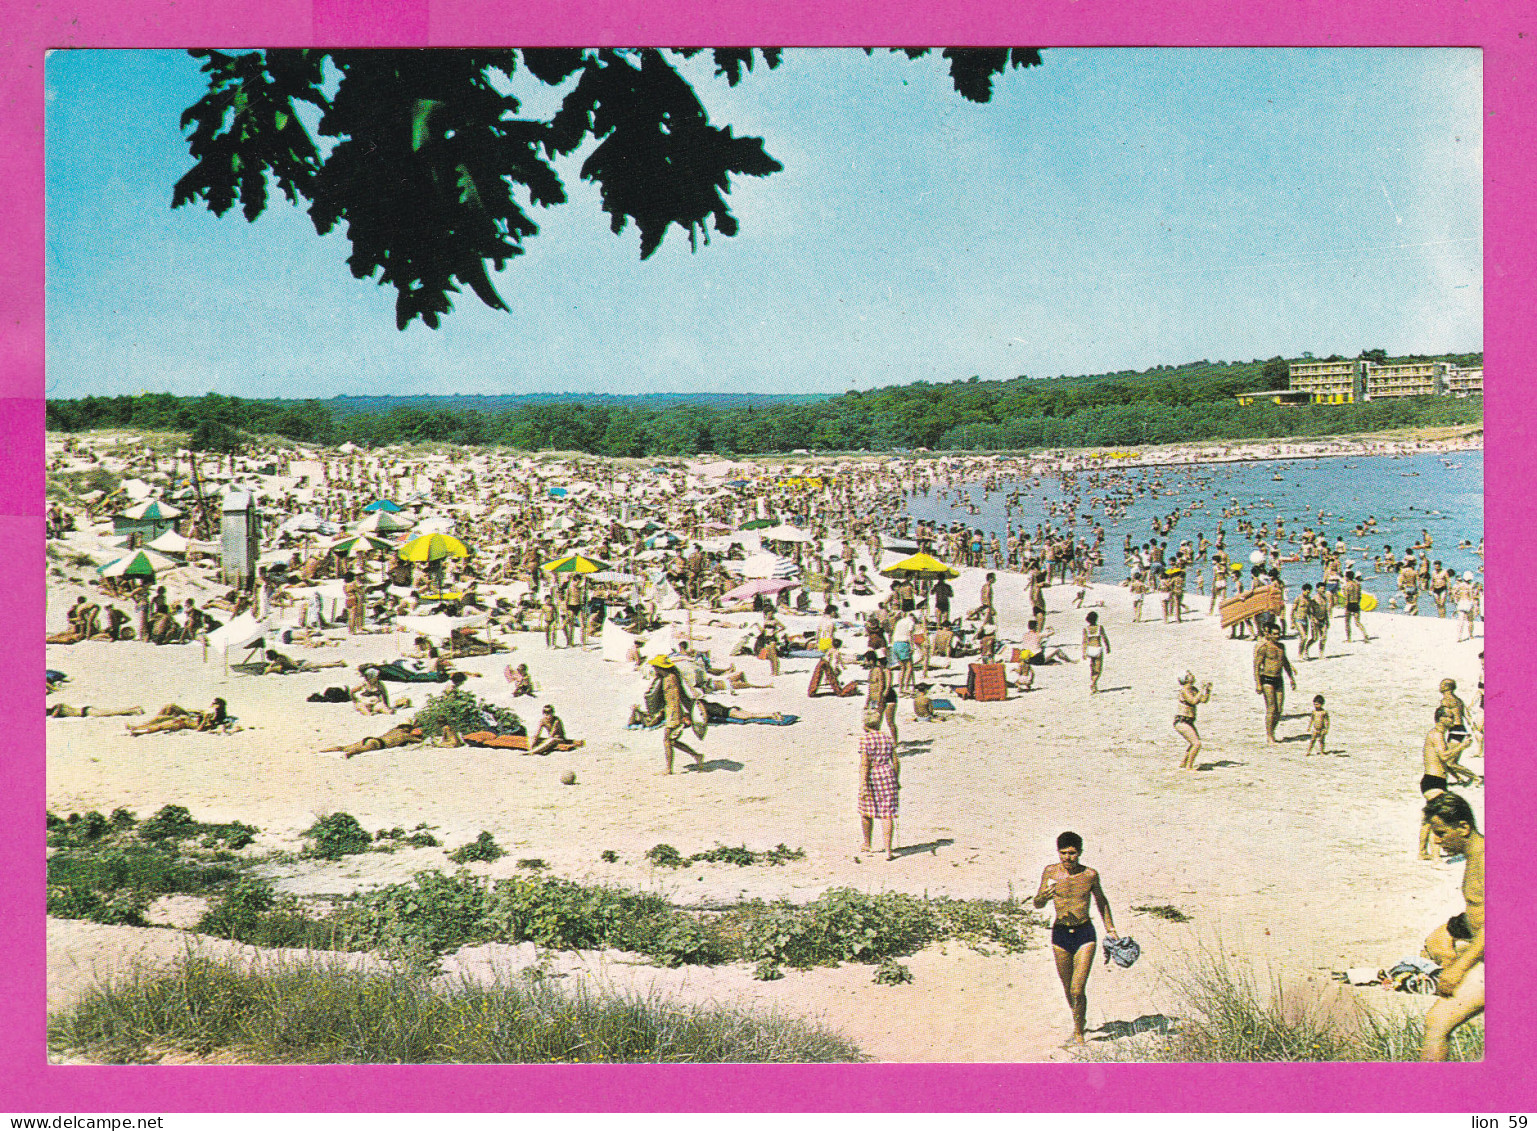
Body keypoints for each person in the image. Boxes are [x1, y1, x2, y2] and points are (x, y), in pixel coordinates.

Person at [1031, 831, 1120, 1046]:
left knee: (1077, 989)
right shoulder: (1050, 872)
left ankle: (1079, 1035)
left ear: (1079, 853)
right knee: (1067, 987)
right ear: (1058, 852)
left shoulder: (1089, 875)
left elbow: (1101, 900)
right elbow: (1038, 903)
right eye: (1063, 853)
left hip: (1084, 933)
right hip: (1060, 934)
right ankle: (1078, 1021)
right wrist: (1041, 898)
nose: (1067, 858)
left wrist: (1110, 928)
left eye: (1072, 853)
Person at [1419, 792, 1484, 1061]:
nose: (1436, 840)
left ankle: (1432, 1099)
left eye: (1442, 832)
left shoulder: (1487, 860)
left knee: (1437, 1024)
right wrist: (1450, 931)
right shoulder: (1476, 855)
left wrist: (1458, 968)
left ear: (1464, 827)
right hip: (1487, 951)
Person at [1419, 705, 1478, 859]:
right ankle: (1436, 859)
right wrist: (1462, 746)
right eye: (1450, 717)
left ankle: (1422, 852)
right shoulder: (1437, 735)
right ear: (1441, 718)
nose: (1453, 719)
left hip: (1434, 781)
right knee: (1438, 818)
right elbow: (1445, 757)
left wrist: (1457, 777)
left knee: (1427, 820)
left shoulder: (1437, 734)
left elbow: (1442, 762)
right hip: (1433, 781)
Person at [857, 709, 900, 861]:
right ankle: (888, 850)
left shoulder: (866, 740)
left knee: (866, 810)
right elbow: (895, 761)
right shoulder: (887, 738)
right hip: (887, 774)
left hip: (872, 775)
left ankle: (867, 844)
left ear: (865, 724)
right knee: (888, 813)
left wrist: (863, 784)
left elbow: (865, 763)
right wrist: (896, 779)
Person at [650, 656, 704, 774]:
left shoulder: (671, 679)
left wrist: (680, 716)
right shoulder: (666, 678)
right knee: (671, 741)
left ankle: (669, 769)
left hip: (674, 713)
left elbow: (676, 698)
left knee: (667, 740)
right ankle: (696, 755)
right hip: (671, 712)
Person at [1252, 623, 1296, 743]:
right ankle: (1269, 735)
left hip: (1278, 679)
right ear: (1269, 635)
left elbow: (1285, 662)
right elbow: (1256, 666)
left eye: (1279, 634)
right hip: (1267, 679)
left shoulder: (1281, 647)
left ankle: (1272, 730)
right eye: (1275, 634)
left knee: (1279, 709)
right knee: (1271, 708)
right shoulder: (1264, 648)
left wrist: (1291, 678)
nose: (1278, 636)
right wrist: (1258, 683)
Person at [1173, 671, 1213, 770]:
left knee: (1193, 743)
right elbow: (1193, 701)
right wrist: (1202, 689)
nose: (1192, 675)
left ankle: (1183, 764)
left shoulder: (1193, 689)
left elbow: (1203, 700)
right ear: (1186, 679)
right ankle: (1189, 767)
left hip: (1189, 721)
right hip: (1182, 721)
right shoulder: (1185, 690)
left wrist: (1207, 691)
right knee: (1196, 743)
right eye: (1189, 674)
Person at [320, 722, 427, 758]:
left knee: (343, 747)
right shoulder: (405, 736)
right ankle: (349, 754)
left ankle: (323, 751)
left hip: (372, 738)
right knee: (360, 750)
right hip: (379, 743)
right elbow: (420, 741)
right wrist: (420, 737)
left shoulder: (394, 730)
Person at [127, 698, 228, 736]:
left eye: (215, 704)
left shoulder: (215, 719)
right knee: (159, 719)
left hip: (183, 723)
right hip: (185, 718)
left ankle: (140, 731)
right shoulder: (210, 712)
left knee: (162, 725)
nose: (212, 705)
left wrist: (205, 719)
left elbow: (199, 729)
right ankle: (137, 727)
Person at [862, 649, 898, 745]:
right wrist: (867, 702)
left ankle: (895, 742)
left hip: (885, 698)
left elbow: (882, 685)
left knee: (889, 721)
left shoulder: (879, 671)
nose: (864, 662)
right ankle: (877, 741)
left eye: (866, 660)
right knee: (874, 723)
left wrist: (880, 699)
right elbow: (871, 688)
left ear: (871, 661)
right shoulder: (872, 671)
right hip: (876, 699)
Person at [1081, 611, 1110, 694]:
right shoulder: (1099, 627)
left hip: (1090, 649)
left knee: (1092, 667)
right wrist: (1108, 647)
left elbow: (1084, 641)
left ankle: (1094, 687)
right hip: (1098, 648)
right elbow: (1104, 638)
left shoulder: (1086, 629)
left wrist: (1084, 652)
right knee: (1098, 669)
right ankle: (1093, 683)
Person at [1341, 570, 1370, 643]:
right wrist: (1358, 602)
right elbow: (1359, 595)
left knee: (1347, 622)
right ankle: (1365, 635)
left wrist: (1345, 606)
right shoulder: (1357, 584)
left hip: (1349, 603)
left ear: (1347, 577)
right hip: (1356, 603)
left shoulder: (1347, 586)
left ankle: (1349, 639)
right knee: (1357, 622)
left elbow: (1347, 597)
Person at [47, 703, 143, 717]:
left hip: (85, 712)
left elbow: (54, 714)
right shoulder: (59, 706)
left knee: (108, 712)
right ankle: (132, 709)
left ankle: (132, 710)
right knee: (109, 711)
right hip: (85, 710)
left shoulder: (58, 708)